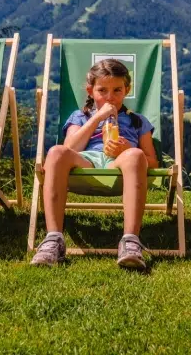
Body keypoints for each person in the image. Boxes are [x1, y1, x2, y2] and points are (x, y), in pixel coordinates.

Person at [31, 59, 158, 270]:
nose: (110, 97)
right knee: (55, 152)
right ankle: (53, 240)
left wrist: (126, 149)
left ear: (127, 90)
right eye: (102, 90)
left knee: (136, 155)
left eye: (117, 90)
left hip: (120, 162)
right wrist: (96, 118)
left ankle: (130, 242)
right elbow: (70, 147)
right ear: (90, 91)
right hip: (87, 160)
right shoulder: (80, 116)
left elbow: (152, 161)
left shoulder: (137, 121)